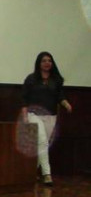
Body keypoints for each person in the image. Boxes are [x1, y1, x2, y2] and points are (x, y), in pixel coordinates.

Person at [21, 52, 72, 186]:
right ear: (39, 63)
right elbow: (24, 99)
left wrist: (66, 104)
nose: (47, 63)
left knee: (43, 145)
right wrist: (25, 115)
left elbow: (60, 96)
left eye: (49, 60)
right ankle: (47, 174)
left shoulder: (56, 80)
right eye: (44, 60)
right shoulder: (31, 79)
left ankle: (31, 172)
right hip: (34, 115)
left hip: (50, 116)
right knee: (42, 141)